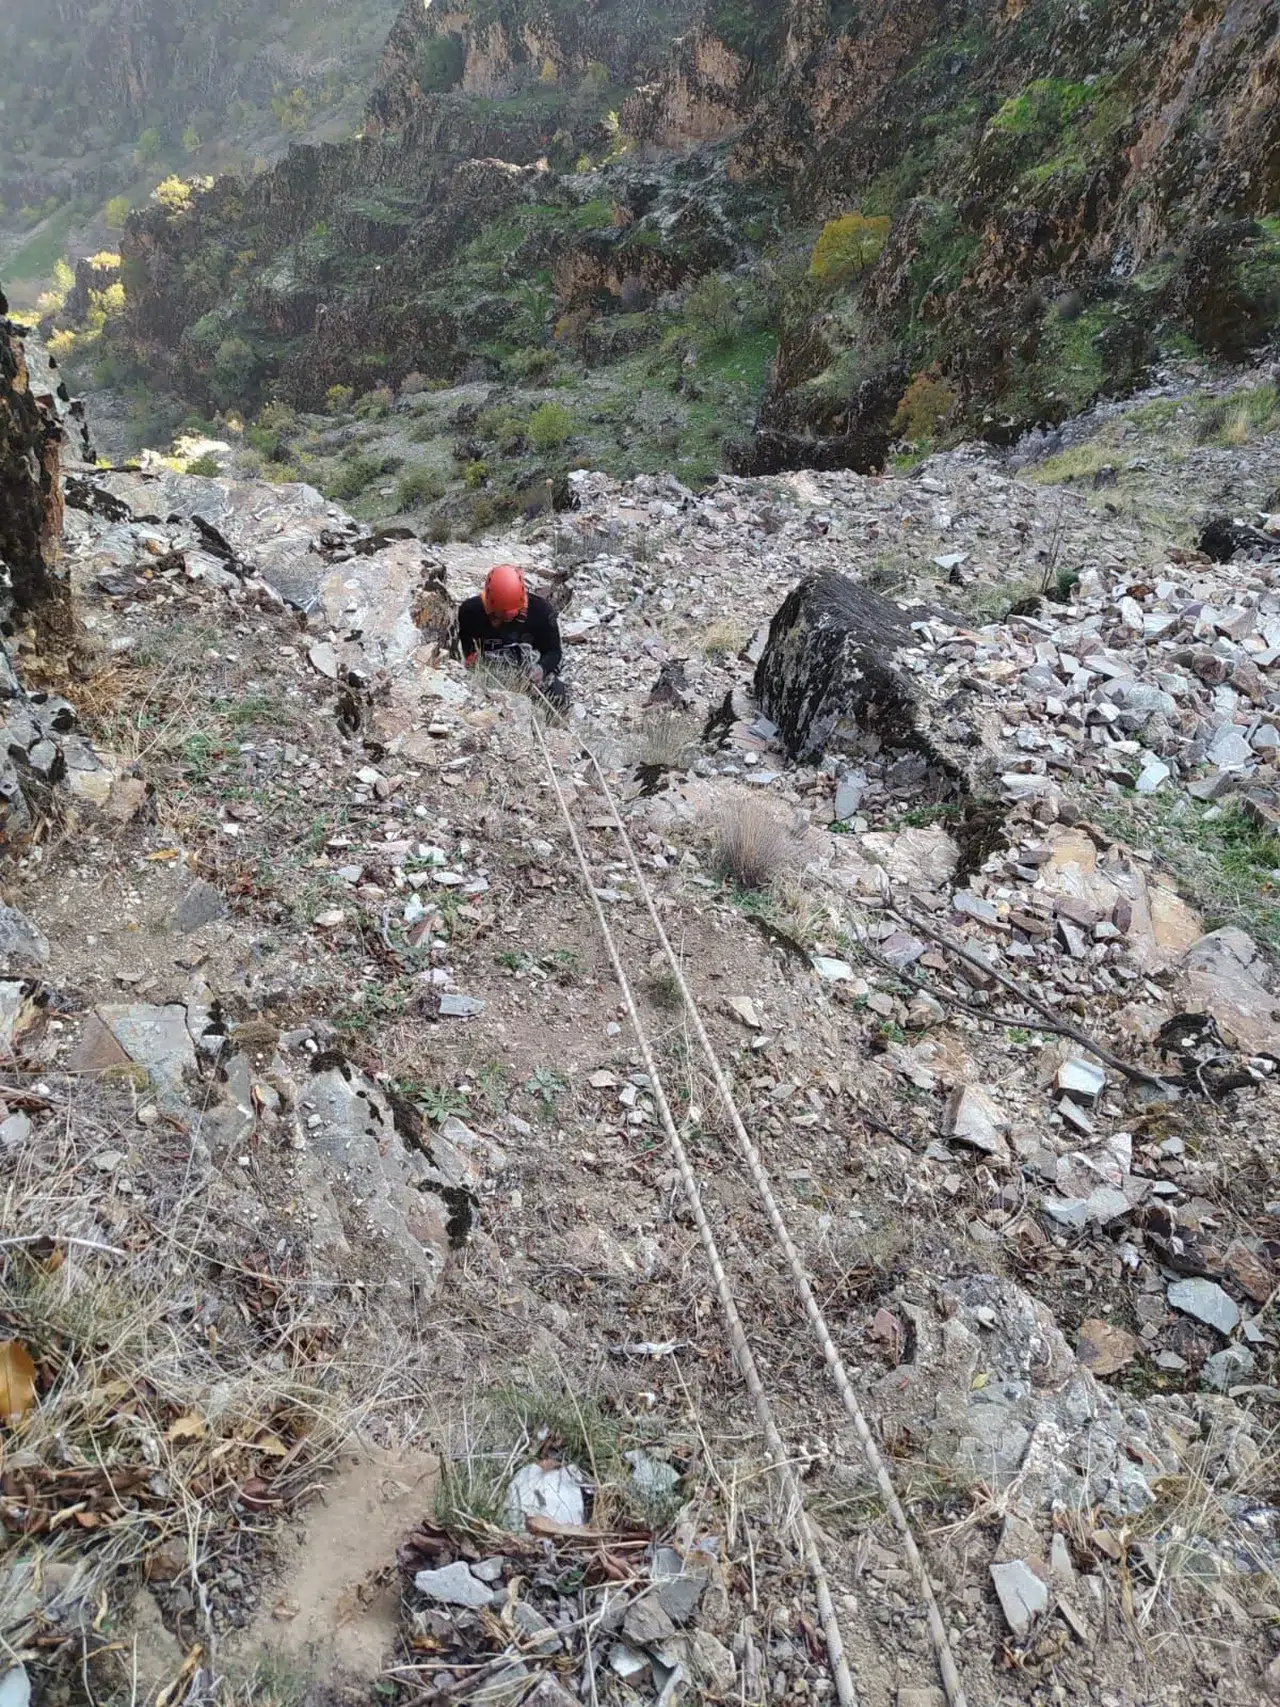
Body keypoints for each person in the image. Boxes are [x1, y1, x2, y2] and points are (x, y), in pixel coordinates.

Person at [454, 564, 568, 710]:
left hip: (528, 672)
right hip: (489, 670)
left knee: (557, 697)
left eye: (511, 615)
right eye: (498, 615)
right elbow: (466, 644)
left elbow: (554, 651)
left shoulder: (541, 612)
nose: (505, 619)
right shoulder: (471, 611)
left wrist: (541, 668)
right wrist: (474, 662)